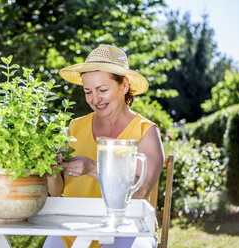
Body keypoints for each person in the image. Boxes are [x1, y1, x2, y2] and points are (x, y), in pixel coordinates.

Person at [44, 44, 165, 248]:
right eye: (88, 91)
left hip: (127, 230)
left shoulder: (145, 131)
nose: (95, 99)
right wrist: (50, 168)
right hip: (72, 229)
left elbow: (140, 192)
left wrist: (92, 168)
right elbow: (56, 192)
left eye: (102, 90)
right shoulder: (75, 127)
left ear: (124, 86)